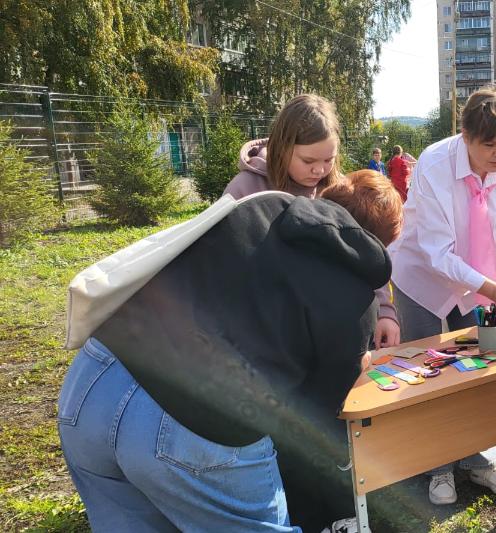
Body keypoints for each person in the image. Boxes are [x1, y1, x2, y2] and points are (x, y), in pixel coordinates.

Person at [58, 172, 404, 533]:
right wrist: (352, 363)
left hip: (95, 379)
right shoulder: (357, 300)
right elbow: (312, 415)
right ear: (380, 240)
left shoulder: (263, 207)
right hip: (192, 423)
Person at [388, 81, 496, 506]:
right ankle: (438, 466)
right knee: (428, 369)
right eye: (489, 144)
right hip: (423, 276)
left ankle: (480, 458)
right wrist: (493, 288)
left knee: (478, 364)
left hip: (476, 282)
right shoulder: (435, 163)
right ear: (466, 136)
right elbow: (436, 251)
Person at [223, 94, 400, 351]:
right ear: (282, 148)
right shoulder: (245, 190)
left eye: (329, 160)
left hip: (325, 339)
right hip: (263, 339)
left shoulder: (337, 189)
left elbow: (367, 252)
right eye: (308, 161)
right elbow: (223, 265)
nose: (319, 171)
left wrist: (385, 311)